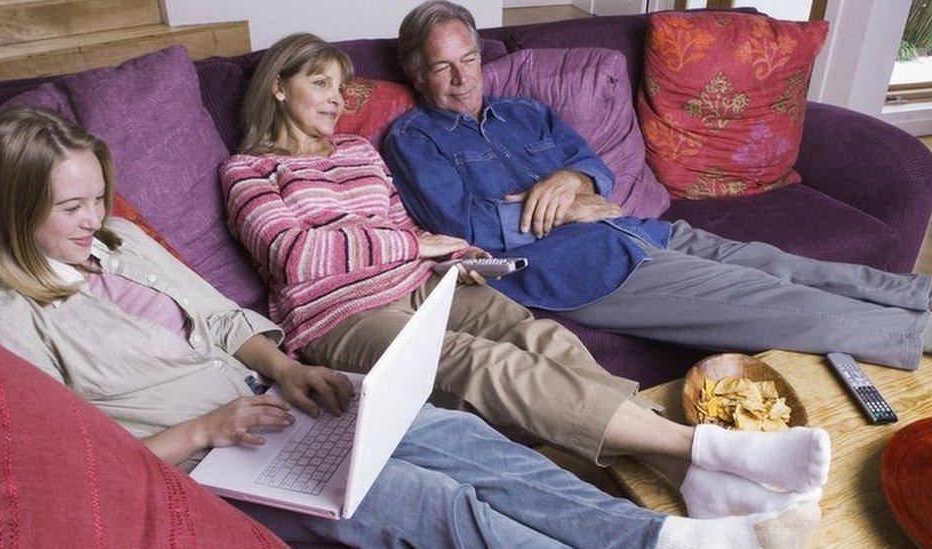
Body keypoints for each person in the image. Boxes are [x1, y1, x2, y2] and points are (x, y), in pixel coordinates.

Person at [0, 106, 821, 549]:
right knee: (433, 500)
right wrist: (208, 427)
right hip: (214, 463)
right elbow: (86, 471)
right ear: (9, 210)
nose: (93, 218)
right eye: (69, 206)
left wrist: (284, 368)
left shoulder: (119, 240)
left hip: (269, 404)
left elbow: (225, 317)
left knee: (465, 442)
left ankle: (667, 535)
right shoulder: (3, 325)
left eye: (96, 197)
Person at [221, 30, 830, 528]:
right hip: (340, 314)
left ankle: (688, 480)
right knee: (481, 364)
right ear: (277, 88)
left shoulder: (357, 150)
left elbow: (403, 221)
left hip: (427, 282)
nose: (334, 98)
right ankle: (703, 451)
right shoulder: (248, 170)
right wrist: (413, 244)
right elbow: (295, 254)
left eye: (339, 85)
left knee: (542, 339)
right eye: (317, 82)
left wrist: (454, 256)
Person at [383, 0, 932, 372]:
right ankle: (917, 337)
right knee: (776, 302)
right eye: (442, 67)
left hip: (641, 230)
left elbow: (594, 165)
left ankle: (921, 297)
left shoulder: (525, 112)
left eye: (470, 59)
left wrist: (572, 178)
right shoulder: (412, 140)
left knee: (784, 265)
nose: (463, 79)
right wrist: (569, 209)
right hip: (585, 271)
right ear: (415, 73)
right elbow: (469, 228)